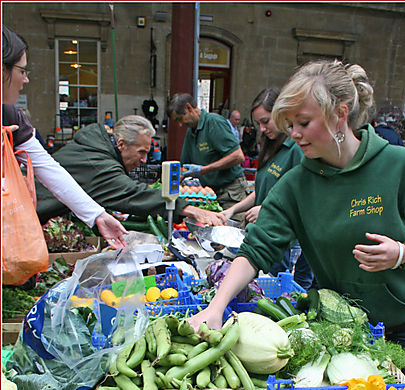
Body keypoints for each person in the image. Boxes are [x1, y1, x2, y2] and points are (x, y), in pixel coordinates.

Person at [189, 59, 405, 377]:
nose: (294, 134)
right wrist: (215, 309)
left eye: (304, 122)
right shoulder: (296, 186)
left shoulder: (402, 165)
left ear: (339, 114)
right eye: (289, 125)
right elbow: (256, 250)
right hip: (343, 333)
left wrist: (403, 253)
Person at [2, 25, 127, 250]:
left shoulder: (11, 116)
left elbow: (47, 167)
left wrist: (97, 215)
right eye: (22, 71)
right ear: (2, 71)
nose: (26, 80)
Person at [35, 114, 224, 228]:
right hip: (25, 214)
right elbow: (132, 193)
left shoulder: (96, 148)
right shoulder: (97, 162)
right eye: (141, 152)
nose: (143, 160)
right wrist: (188, 209)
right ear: (121, 144)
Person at [219, 87, 314, 289]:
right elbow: (262, 190)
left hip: (281, 240)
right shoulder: (270, 147)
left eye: (265, 121)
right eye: (258, 123)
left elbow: (304, 197)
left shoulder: (296, 150)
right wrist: (234, 209)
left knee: (278, 290)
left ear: (281, 114)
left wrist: (266, 210)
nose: (261, 128)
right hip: (261, 235)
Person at [167, 93, 249, 214]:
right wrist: (169, 190)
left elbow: (238, 156)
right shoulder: (191, 132)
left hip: (231, 191)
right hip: (211, 194)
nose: (180, 125)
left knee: (231, 231)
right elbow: (184, 167)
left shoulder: (213, 123)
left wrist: (204, 169)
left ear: (189, 108)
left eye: (180, 119)